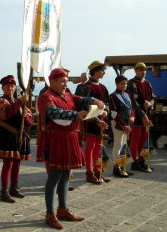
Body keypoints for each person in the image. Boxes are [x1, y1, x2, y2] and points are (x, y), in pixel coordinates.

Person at [37, 68, 104, 229]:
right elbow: (54, 112)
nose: (65, 85)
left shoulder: (68, 95)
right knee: (54, 177)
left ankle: (63, 209)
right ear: (51, 82)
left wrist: (95, 101)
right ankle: (50, 213)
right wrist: (75, 115)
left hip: (69, 138)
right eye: (62, 81)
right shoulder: (45, 97)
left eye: (66, 82)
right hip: (56, 140)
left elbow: (82, 99)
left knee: (66, 174)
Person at [0, 75, 33, 203]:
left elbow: (29, 122)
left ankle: (14, 188)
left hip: (19, 136)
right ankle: (4, 191)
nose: (10, 88)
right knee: (8, 163)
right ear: (3, 88)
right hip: (6, 135)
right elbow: (7, 113)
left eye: (12, 86)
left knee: (17, 162)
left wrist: (25, 116)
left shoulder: (20, 103)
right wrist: (20, 101)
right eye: (7, 86)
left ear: (15, 88)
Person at [80, 61, 110, 184]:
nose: (104, 72)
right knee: (90, 147)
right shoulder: (86, 87)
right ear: (96, 71)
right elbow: (84, 106)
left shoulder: (103, 87)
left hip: (101, 121)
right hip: (90, 121)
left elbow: (107, 103)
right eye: (102, 70)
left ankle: (98, 170)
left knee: (98, 146)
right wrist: (97, 121)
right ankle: (89, 172)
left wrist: (106, 112)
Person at [126, 62, 155, 172]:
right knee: (135, 139)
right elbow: (133, 102)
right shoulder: (131, 83)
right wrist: (142, 115)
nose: (144, 72)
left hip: (147, 115)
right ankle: (135, 162)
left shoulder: (148, 83)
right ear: (136, 71)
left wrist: (150, 103)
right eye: (141, 70)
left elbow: (153, 97)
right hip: (137, 116)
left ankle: (141, 161)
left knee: (143, 139)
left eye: (145, 70)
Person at [109, 75, 135, 178]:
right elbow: (114, 113)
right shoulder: (113, 96)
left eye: (126, 83)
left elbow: (131, 109)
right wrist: (123, 125)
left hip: (127, 122)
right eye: (122, 83)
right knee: (118, 145)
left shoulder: (127, 95)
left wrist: (132, 117)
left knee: (124, 144)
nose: (124, 85)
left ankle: (122, 166)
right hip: (118, 123)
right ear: (117, 84)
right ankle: (116, 167)